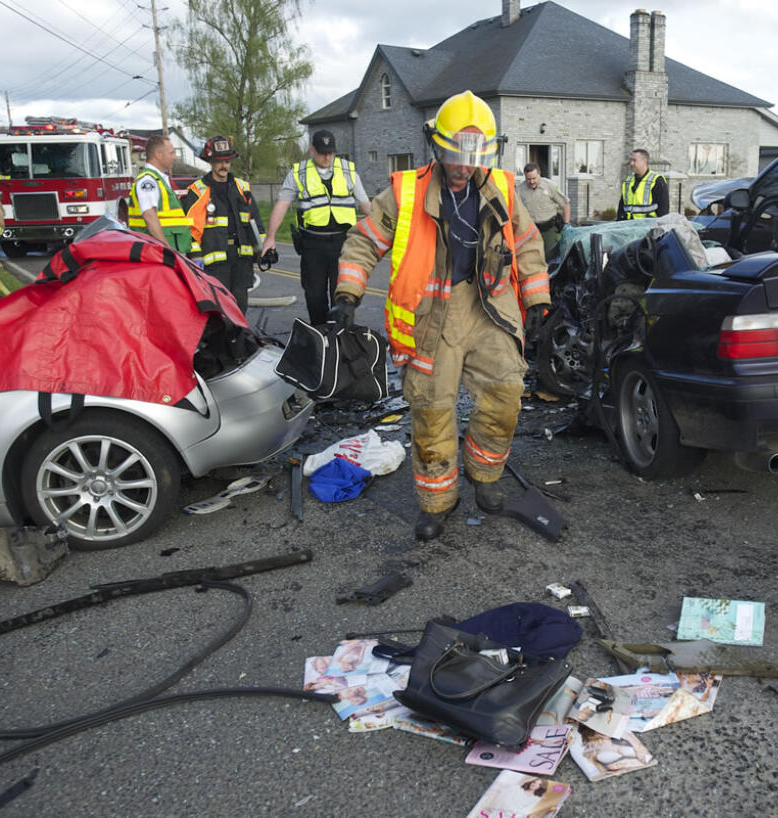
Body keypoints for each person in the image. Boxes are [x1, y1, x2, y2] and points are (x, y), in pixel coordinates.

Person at [332, 90, 550, 541]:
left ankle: (485, 479)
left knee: (507, 394)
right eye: (456, 153)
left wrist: (537, 301)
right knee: (432, 412)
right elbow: (363, 241)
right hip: (431, 317)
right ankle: (437, 501)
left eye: (474, 154)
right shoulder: (405, 192)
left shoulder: (502, 188)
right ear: (437, 146)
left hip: (487, 306)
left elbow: (528, 243)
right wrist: (348, 294)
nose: (464, 165)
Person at [261, 129, 370, 325]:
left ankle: (341, 343)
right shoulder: (298, 173)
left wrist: (387, 234)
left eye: (330, 152)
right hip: (313, 245)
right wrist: (271, 238)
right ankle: (321, 340)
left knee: (343, 297)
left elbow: (367, 206)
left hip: (343, 244)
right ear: (312, 150)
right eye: (321, 152)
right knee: (315, 297)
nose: (327, 156)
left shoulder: (348, 170)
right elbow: (281, 205)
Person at [182, 135, 262, 310]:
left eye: (227, 160)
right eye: (219, 161)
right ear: (210, 162)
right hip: (214, 264)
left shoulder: (242, 188)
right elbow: (189, 229)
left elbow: (255, 223)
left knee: (240, 307)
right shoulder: (198, 191)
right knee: (220, 311)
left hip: (241, 259)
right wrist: (195, 257)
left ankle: (239, 338)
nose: (224, 165)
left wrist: (263, 250)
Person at [128, 134, 192, 252]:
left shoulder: (158, 179)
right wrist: (167, 250)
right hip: (160, 253)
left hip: (168, 251)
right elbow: (150, 216)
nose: (175, 157)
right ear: (159, 155)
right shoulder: (148, 181)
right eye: (171, 153)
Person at [516, 162, 570, 256]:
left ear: (539, 174)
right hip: (531, 230)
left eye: (534, 178)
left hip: (549, 228)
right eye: (528, 179)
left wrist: (566, 224)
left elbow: (565, 204)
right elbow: (516, 210)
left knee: (551, 256)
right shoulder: (520, 189)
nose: (531, 181)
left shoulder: (550, 186)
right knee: (532, 257)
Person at [615, 148, 669, 220]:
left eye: (634, 160)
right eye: (631, 160)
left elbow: (663, 212)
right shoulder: (628, 181)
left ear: (644, 161)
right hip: (629, 227)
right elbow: (622, 209)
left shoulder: (657, 181)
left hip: (648, 228)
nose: (631, 163)